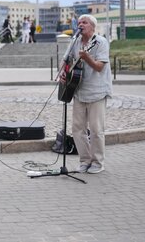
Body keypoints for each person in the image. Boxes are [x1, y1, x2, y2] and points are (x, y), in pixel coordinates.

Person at [60, 14, 112, 174]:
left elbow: (99, 67)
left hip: (97, 91)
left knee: (96, 129)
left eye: (85, 22)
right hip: (78, 90)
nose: (81, 24)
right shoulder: (75, 41)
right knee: (77, 128)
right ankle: (84, 160)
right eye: (80, 22)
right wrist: (63, 71)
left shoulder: (101, 42)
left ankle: (98, 162)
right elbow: (65, 60)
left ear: (92, 26)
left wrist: (87, 58)